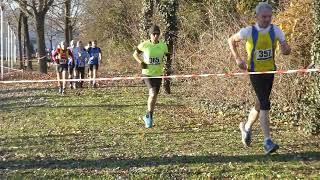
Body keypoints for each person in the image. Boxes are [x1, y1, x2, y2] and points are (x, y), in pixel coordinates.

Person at [228, 2, 291, 154]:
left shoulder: (276, 30)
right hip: (255, 73)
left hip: (270, 72)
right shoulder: (248, 31)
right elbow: (231, 40)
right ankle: (267, 141)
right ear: (256, 16)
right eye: (264, 16)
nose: (267, 19)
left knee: (259, 104)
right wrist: (238, 59)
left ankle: (246, 128)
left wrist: (286, 49)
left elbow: (286, 49)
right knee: (264, 103)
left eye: (269, 17)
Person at [133, 25, 169, 128]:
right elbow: (134, 54)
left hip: (158, 74)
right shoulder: (144, 44)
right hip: (147, 73)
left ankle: (148, 115)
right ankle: (149, 117)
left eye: (158, 34)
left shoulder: (163, 45)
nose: (156, 36)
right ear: (150, 34)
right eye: (154, 34)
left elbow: (168, 56)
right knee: (152, 94)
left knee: (154, 97)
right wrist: (141, 62)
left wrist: (167, 68)